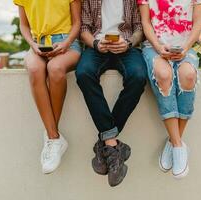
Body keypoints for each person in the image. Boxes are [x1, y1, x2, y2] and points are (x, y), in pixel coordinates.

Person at [76, 0, 147, 187]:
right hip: (97, 47)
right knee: (83, 74)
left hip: (126, 48)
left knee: (138, 76)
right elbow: (83, 28)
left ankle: (106, 142)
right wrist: (96, 43)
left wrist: (129, 42)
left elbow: (140, 27)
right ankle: (114, 145)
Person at [138, 0, 201, 178]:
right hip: (154, 48)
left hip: (185, 49)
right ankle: (178, 146)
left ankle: (173, 141)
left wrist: (186, 48)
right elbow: (145, 22)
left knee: (188, 75)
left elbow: (198, 22)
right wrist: (157, 46)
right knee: (163, 75)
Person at [14, 0, 81, 174]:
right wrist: (32, 44)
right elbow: (23, 24)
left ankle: (52, 137)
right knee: (35, 69)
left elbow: (77, 24)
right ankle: (54, 138)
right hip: (37, 44)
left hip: (67, 44)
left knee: (55, 68)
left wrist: (65, 44)